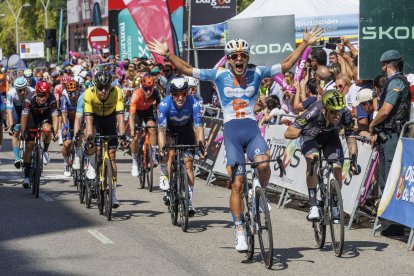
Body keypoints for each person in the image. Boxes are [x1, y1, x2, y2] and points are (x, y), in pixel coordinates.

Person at [149, 26, 323, 252]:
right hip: (231, 131)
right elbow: (189, 70)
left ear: (247, 57)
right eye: (234, 56)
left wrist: (305, 44)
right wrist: (168, 55)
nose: (238, 60)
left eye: (242, 56)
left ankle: (260, 192)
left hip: (251, 129)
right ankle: (239, 230)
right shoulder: (219, 74)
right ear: (229, 59)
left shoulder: (258, 72)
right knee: (237, 184)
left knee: (263, 163)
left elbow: (287, 64)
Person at [284, 90, 358, 221]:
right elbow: (288, 133)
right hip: (311, 137)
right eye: (333, 112)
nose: (337, 115)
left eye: (339, 111)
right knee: (312, 161)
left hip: (330, 138)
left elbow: (351, 137)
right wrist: (303, 132)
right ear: (325, 109)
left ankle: (335, 203)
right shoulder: (314, 111)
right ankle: (313, 206)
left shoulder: (345, 113)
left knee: (337, 167)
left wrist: (354, 159)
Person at [369, 50, 411, 236]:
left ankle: (395, 223)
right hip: (390, 134)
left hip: (393, 135)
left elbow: (386, 111)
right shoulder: (398, 81)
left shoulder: (395, 82)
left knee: (391, 179)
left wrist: (372, 124)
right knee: (387, 178)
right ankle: (391, 221)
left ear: (386, 65)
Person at [157, 77, 205, 217]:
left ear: (187, 93)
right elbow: (161, 130)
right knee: (169, 154)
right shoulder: (164, 104)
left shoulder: (194, 103)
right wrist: (162, 149)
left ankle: (189, 201)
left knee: (188, 164)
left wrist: (201, 144)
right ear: (171, 94)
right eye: (176, 94)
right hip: (170, 131)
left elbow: (198, 126)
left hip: (186, 130)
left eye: (183, 93)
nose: (179, 97)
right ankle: (165, 174)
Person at [83, 71, 126, 208]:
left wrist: (123, 134)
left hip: (109, 119)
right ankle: (91, 164)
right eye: (100, 88)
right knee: (93, 144)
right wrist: (90, 137)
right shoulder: (89, 93)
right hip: (95, 119)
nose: (103, 91)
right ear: (96, 87)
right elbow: (88, 120)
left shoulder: (117, 92)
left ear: (110, 87)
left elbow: (120, 117)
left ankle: (113, 195)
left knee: (112, 156)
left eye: (106, 87)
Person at [20, 81, 59, 188]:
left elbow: (55, 117)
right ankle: (27, 177)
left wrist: (55, 133)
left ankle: (45, 150)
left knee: (47, 129)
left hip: (44, 116)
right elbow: (23, 118)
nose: (43, 97)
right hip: (32, 116)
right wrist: (23, 132)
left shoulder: (51, 100)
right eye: (41, 94)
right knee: (29, 144)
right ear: (36, 93)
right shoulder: (29, 99)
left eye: (46, 94)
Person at [129, 74, 161, 176]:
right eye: (145, 89)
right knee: (135, 136)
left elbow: (159, 110)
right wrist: (132, 130)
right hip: (137, 113)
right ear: (141, 87)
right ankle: (134, 162)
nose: (148, 92)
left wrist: (160, 124)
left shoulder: (156, 93)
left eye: (150, 89)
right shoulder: (137, 94)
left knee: (152, 128)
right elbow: (131, 116)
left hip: (148, 111)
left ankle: (152, 156)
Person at [6, 77, 35, 168]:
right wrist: (11, 126)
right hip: (16, 110)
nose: (22, 92)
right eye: (20, 90)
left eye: (24, 89)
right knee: (15, 132)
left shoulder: (32, 91)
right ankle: (17, 158)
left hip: (28, 109)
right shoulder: (11, 93)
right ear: (16, 89)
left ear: (27, 87)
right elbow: (9, 111)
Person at [60, 80, 82, 176]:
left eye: (75, 92)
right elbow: (64, 113)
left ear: (78, 90)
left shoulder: (83, 96)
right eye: (70, 93)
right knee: (67, 144)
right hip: (69, 121)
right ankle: (66, 164)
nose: (73, 95)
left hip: (80, 120)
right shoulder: (64, 98)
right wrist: (65, 126)